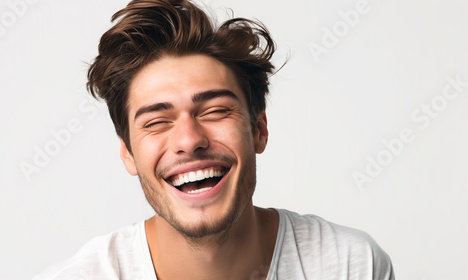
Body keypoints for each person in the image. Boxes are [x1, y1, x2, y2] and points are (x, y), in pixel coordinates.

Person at [35, 0, 394, 279]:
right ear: (128, 153)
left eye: (215, 111)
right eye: (157, 121)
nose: (189, 140)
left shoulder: (352, 266)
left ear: (259, 130)